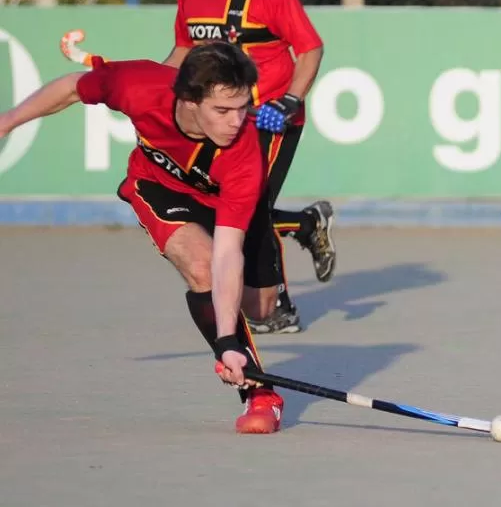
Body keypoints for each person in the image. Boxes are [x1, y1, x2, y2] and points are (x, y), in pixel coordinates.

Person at [0, 42, 288, 434]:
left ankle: (289, 235)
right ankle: (260, 394)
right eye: (222, 110)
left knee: (260, 307)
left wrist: (228, 332)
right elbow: (71, 86)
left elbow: (228, 253)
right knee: (201, 268)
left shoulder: (244, 154)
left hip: (228, 204)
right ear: (188, 99)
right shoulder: (139, 86)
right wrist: (8, 121)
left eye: (243, 107)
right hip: (158, 187)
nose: (237, 122)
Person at [162, 0, 337, 334]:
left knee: (250, 208)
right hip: (221, 120)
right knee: (221, 205)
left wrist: (290, 100)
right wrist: (152, 91)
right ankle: (306, 223)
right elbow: (184, 50)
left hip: (269, 118)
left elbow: (310, 48)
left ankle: (279, 308)